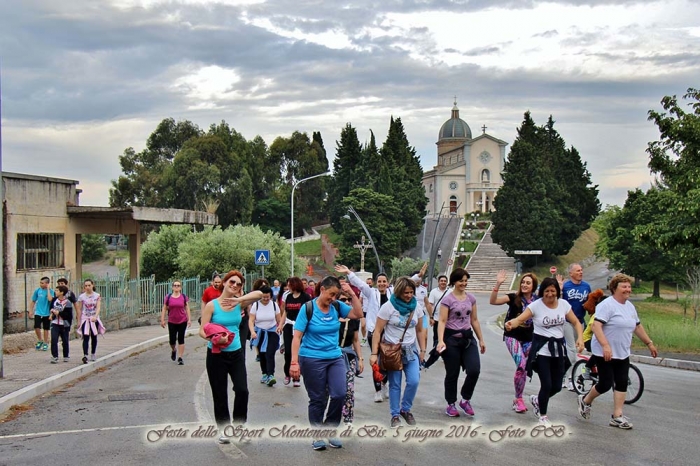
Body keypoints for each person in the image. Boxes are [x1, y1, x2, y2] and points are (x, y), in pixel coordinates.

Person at [289, 275, 364, 451]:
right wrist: (294, 362)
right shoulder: (307, 309)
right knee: (318, 399)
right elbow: (297, 337)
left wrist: (352, 294)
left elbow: (358, 314)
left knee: (339, 393)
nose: (333, 298)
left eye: (336, 295)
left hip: (335, 357)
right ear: (322, 289)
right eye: (331, 294)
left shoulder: (336, 306)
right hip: (311, 358)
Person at [577, 274, 657, 429]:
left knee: (621, 382)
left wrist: (649, 343)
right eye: (624, 286)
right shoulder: (607, 305)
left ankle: (617, 416)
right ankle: (586, 400)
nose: (628, 289)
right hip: (604, 351)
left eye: (629, 286)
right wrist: (606, 345)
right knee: (606, 384)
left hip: (622, 351)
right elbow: (596, 326)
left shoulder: (630, 307)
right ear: (614, 288)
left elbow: (637, 326)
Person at [505, 277, 584, 427]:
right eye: (547, 291)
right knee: (546, 385)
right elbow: (520, 319)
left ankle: (537, 400)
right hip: (541, 351)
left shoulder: (563, 304)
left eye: (553, 291)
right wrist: (511, 324)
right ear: (542, 292)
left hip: (558, 351)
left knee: (557, 386)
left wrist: (580, 337)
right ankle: (543, 416)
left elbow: (575, 322)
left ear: (557, 292)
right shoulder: (536, 306)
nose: (550, 294)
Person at [199, 270, 263, 445]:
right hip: (216, 355)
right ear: (225, 283)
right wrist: (215, 338)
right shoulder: (212, 305)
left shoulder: (239, 305)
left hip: (236, 354)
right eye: (232, 282)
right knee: (220, 394)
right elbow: (202, 330)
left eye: (239, 284)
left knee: (242, 390)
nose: (235, 285)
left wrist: (240, 299)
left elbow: (260, 293)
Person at [369, 277, 426, 428]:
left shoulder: (417, 307)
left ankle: (405, 409)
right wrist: (374, 353)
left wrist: (423, 350)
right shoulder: (388, 307)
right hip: (392, 351)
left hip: (411, 349)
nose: (409, 295)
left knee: (414, 381)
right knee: (395, 384)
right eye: (406, 292)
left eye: (411, 292)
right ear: (399, 292)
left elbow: (420, 330)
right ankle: (395, 415)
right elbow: (377, 331)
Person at [436, 268, 485, 417]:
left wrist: (481, 339)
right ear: (454, 282)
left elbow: (474, 320)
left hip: (468, 338)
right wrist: (440, 341)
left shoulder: (471, 298)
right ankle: (451, 403)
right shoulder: (447, 300)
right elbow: (442, 321)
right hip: (451, 339)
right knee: (453, 373)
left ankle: (465, 399)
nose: (464, 283)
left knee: (474, 370)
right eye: (460, 281)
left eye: (465, 281)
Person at [340, 265, 392, 402]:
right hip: (374, 332)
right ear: (376, 283)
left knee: (387, 362)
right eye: (379, 281)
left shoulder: (393, 294)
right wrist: (349, 273)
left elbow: (408, 283)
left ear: (387, 283)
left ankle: (384, 383)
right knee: (376, 361)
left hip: (390, 333)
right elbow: (360, 284)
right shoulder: (371, 293)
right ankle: (378, 390)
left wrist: (419, 276)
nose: (382, 284)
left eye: (384, 281)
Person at [490, 270, 538, 413]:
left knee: (526, 368)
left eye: (528, 283)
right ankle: (519, 399)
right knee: (521, 365)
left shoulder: (537, 300)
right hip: (513, 337)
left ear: (533, 285)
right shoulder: (513, 298)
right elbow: (493, 301)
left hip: (529, 339)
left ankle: (519, 398)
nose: (524, 285)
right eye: (523, 282)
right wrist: (498, 284)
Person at [561, 263, 591, 390]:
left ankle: (566, 374)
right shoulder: (566, 286)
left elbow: (590, 302)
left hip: (580, 321)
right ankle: (569, 378)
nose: (581, 272)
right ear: (571, 273)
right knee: (571, 349)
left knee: (578, 349)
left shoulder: (586, 286)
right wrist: (559, 287)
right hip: (567, 322)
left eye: (581, 270)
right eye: (578, 270)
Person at [338, 286, 364, 424]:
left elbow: (355, 339)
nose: (347, 302)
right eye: (343, 299)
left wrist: (360, 358)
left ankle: (348, 419)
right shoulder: (331, 317)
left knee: (349, 390)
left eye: (349, 299)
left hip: (348, 356)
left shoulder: (353, 318)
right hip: (332, 356)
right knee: (332, 391)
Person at [280, 277, 312, 386]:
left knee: (299, 352)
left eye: (289, 285)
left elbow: (310, 311)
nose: (288, 287)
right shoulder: (288, 296)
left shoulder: (305, 297)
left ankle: (296, 378)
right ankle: (287, 374)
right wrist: (280, 324)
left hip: (301, 327)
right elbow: (285, 312)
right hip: (289, 326)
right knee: (288, 352)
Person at [249, 285, 282, 386]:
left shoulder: (274, 305)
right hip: (260, 333)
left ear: (271, 296)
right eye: (264, 297)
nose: (266, 299)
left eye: (268, 297)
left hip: (272, 332)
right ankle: (264, 373)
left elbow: (279, 319)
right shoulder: (256, 305)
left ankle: (271, 375)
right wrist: (252, 332)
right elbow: (251, 320)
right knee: (262, 355)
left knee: (270, 353)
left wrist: (280, 327)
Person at [160, 280, 191, 365]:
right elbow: (164, 308)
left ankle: (180, 357)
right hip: (172, 321)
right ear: (172, 287)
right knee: (172, 340)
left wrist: (189, 319)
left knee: (181, 339)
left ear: (181, 287)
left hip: (182, 321)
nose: (177, 287)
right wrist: (162, 319)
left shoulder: (184, 297)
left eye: (178, 285)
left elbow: (187, 308)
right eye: (175, 285)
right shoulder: (168, 297)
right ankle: (174, 350)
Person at [76, 279, 104, 364]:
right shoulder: (82, 297)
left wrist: (95, 316)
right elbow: (80, 309)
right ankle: (85, 355)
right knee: (86, 336)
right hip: (85, 318)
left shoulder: (97, 296)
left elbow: (98, 307)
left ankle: (93, 353)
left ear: (92, 285)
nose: (87, 287)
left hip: (93, 318)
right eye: (86, 286)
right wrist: (79, 320)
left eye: (89, 285)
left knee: (94, 336)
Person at [49, 285, 73, 363]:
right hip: (55, 323)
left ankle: (66, 355)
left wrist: (59, 313)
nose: (55, 292)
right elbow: (51, 308)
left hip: (64, 324)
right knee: (54, 339)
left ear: (62, 292)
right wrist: (52, 313)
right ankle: (54, 356)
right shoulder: (54, 300)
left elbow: (68, 315)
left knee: (65, 340)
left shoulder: (67, 302)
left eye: (57, 290)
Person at [29, 277, 54, 351]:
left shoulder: (51, 291)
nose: (41, 284)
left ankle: (46, 342)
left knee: (46, 328)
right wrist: (30, 311)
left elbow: (50, 299)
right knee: (37, 326)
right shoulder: (37, 291)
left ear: (47, 284)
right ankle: (40, 340)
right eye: (40, 283)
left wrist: (48, 289)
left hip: (46, 313)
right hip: (38, 312)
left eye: (42, 283)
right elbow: (33, 301)